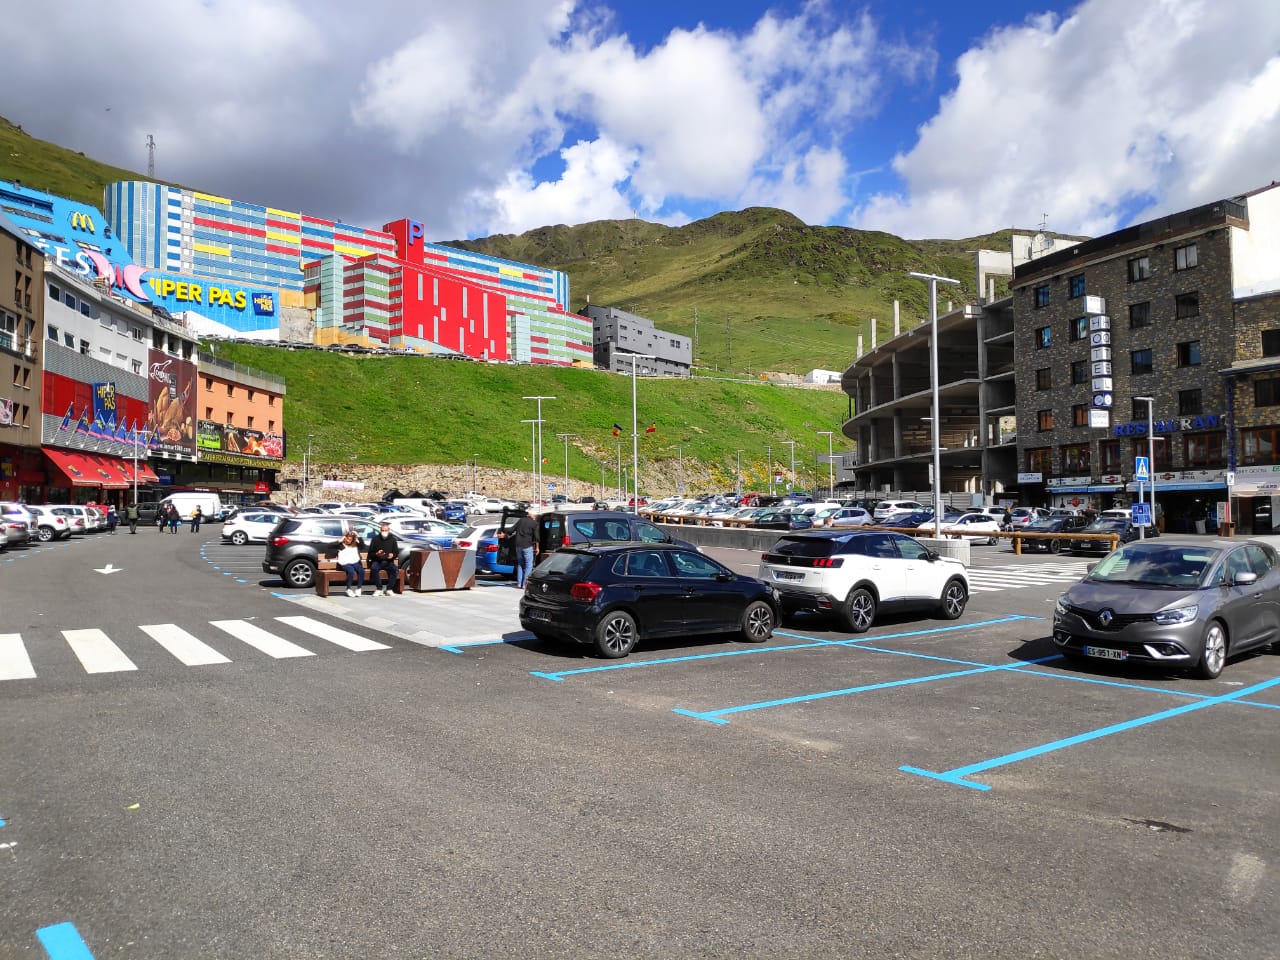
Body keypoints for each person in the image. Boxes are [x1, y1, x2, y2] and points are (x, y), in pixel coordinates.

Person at [366, 521, 400, 596]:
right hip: (377, 561)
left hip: (388, 561)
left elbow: (396, 552)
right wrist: (377, 554)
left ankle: (389, 589)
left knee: (395, 570)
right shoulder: (375, 539)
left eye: (386, 530)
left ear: (388, 531)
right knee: (374, 568)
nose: (384, 532)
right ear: (380, 531)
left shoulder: (393, 539)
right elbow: (370, 553)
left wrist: (393, 555)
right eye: (382, 530)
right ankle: (379, 588)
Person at [510, 510, 539, 588]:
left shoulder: (521, 520)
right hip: (527, 546)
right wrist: (537, 547)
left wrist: (504, 533)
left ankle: (519, 583)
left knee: (520, 564)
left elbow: (512, 529)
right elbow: (536, 537)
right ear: (532, 515)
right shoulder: (535, 524)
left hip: (518, 545)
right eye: (535, 515)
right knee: (528, 565)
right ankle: (524, 584)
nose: (536, 517)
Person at [336, 530, 364, 598]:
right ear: (345, 537)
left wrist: (358, 535)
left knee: (361, 570)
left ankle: (359, 588)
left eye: (350, 539)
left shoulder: (355, 545)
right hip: (344, 563)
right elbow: (329, 546)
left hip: (355, 562)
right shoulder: (340, 545)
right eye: (347, 538)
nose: (348, 540)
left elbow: (363, 545)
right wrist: (339, 541)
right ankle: (348, 589)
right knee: (351, 571)